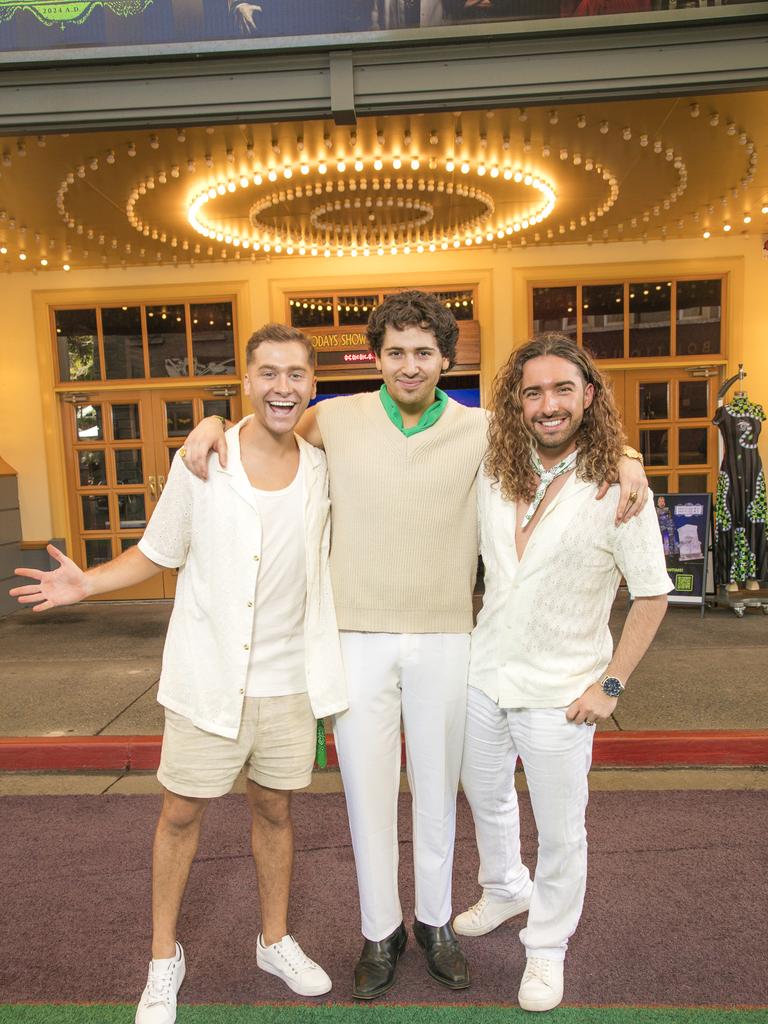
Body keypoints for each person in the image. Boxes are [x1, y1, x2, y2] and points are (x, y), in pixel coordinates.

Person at [182, 291, 649, 1000]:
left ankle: (434, 924)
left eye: (423, 352)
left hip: (447, 637)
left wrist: (628, 454)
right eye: (395, 351)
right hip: (356, 636)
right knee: (367, 797)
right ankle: (380, 932)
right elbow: (266, 432)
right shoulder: (332, 418)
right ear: (376, 356)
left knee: (438, 792)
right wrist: (213, 421)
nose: (409, 365)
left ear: (444, 358)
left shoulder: (483, 429)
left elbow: (566, 430)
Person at [11, 324, 347, 1024]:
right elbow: (156, 551)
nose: (283, 385)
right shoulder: (204, 460)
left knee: (276, 809)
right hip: (207, 676)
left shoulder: (323, 465)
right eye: (268, 373)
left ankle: (274, 939)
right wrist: (88, 584)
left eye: (295, 374)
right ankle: (164, 958)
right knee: (180, 813)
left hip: (290, 681)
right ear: (248, 382)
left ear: (312, 384)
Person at [454, 333, 671, 1012]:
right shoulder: (495, 465)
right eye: (533, 392)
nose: (548, 405)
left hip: (562, 693)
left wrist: (610, 686)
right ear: (515, 404)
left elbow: (653, 593)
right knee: (486, 799)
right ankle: (504, 888)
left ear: (589, 397)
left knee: (560, 828)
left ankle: (547, 947)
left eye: (562, 389)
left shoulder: (619, 488)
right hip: (483, 674)